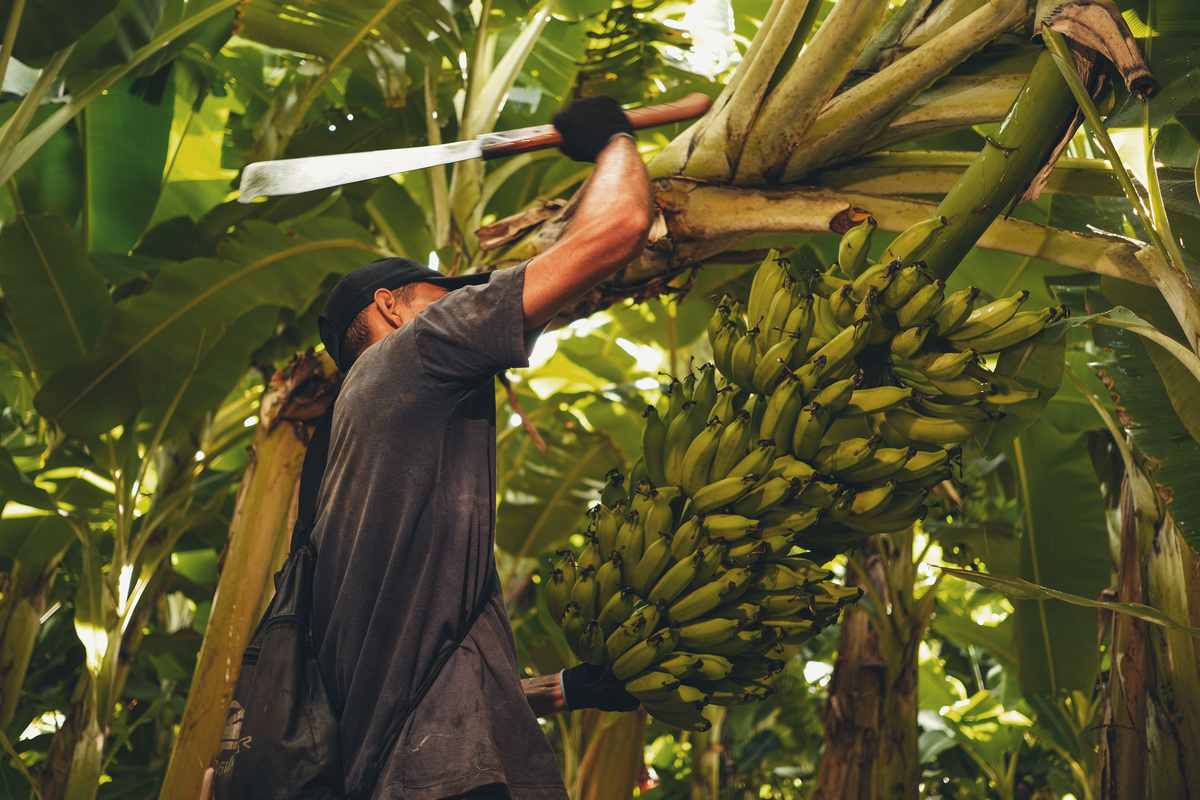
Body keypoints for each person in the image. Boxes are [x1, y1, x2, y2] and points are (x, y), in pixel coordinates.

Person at [309, 96, 650, 800]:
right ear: (391, 306)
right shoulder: (419, 348)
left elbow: (411, 687)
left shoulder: (341, 465)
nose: (460, 305)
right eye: (443, 292)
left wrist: (559, 691)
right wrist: (612, 139)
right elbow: (618, 228)